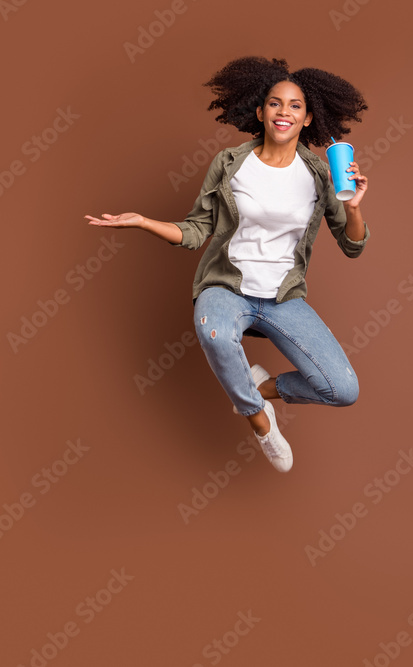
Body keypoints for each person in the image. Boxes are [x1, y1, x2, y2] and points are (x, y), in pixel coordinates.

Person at [85, 56, 371, 473]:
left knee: (342, 388)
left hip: (281, 297)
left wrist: (356, 208)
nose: (284, 112)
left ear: (308, 118)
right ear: (260, 112)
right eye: (275, 103)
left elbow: (353, 245)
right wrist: (143, 221)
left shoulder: (319, 175)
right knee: (215, 333)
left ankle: (258, 389)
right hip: (227, 288)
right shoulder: (231, 164)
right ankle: (259, 423)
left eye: (295, 106)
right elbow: (198, 231)